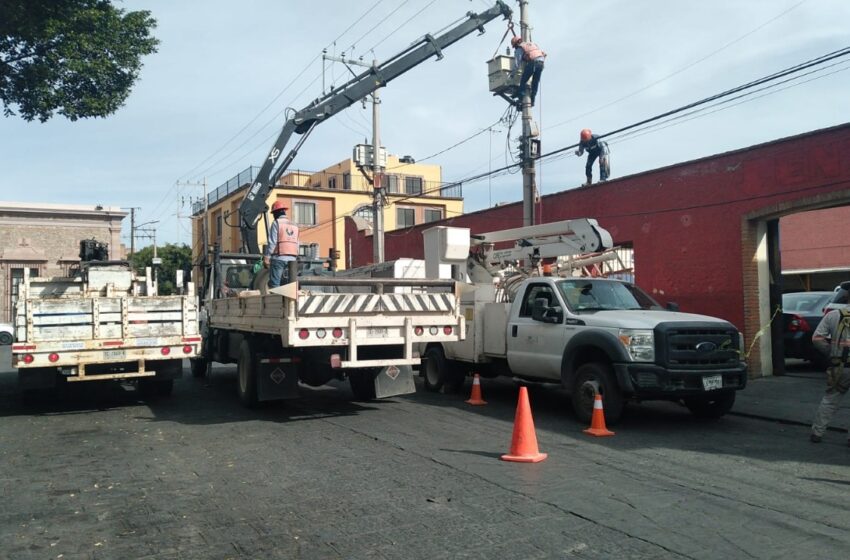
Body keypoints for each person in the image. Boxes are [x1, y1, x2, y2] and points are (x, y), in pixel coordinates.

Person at [809, 307, 850, 446]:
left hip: (840, 367)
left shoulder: (834, 315)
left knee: (830, 399)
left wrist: (832, 353)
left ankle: (817, 432)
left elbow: (817, 338)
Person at [263, 200, 300, 289]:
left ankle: (276, 302)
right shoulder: (294, 225)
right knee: (290, 284)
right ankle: (289, 302)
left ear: (276, 213)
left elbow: (272, 241)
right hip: (292, 259)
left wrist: (267, 257)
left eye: (273, 214)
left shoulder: (276, 223)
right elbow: (297, 242)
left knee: (275, 284)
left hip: (279, 258)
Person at [510, 36, 546, 107]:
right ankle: (532, 99)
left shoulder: (520, 48)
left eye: (514, 46)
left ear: (516, 44)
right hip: (541, 63)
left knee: (523, 80)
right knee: (535, 82)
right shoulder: (532, 44)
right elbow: (543, 54)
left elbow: (517, 64)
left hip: (533, 62)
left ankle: (521, 96)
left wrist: (512, 74)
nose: (515, 48)